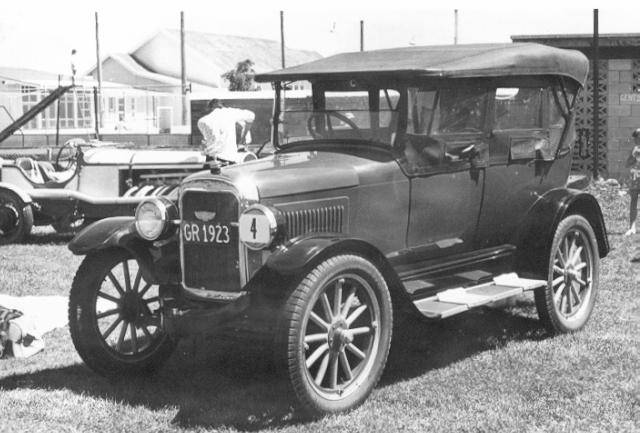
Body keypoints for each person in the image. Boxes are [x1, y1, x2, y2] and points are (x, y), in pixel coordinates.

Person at [624, 128, 640, 235]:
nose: (636, 141)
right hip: (636, 177)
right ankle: (632, 227)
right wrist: (633, 157)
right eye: (636, 139)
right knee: (633, 201)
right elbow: (627, 164)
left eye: (638, 138)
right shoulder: (634, 150)